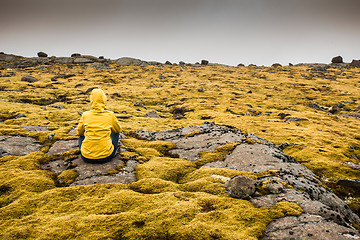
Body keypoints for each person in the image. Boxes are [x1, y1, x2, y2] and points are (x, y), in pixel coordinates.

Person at [76, 88, 122, 163]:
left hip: (86, 157)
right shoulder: (110, 115)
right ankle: (112, 149)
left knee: (81, 135)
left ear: (91, 100)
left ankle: (87, 149)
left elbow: (79, 132)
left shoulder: (85, 115)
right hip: (106, 156)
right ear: (104, 99)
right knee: (115, 133)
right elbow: (118, 130)